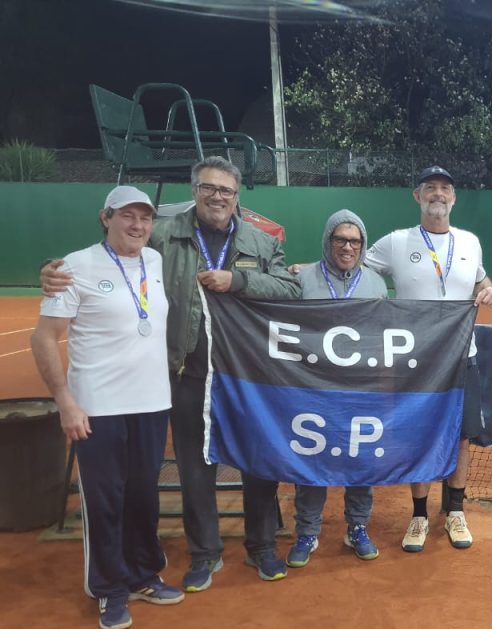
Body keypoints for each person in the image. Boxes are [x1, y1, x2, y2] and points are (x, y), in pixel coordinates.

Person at [42, 157, 301, 590]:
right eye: (208, 188)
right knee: (194, 466)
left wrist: (238, 281)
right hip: (185, 372)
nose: (217, 197)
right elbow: (111, 255)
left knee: (257, 460)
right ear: (194, 191)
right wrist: (55, 268)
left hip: (245, 375)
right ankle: (205, 553)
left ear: (236, 197)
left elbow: (290, 288)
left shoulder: (259, 242)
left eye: (225, 190)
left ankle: (261, 546)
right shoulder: (161, 233)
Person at [31, 186, 183, 629]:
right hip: (98, 406)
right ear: (106, 218)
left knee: (143, 496)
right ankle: (110, 588)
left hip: (152, 403)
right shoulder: (73, 267)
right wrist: (65, 401)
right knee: (105, 500)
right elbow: (44, 337)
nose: (137, 225)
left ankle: (143, 575)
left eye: (145, 218)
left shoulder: (154, 261)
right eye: (127, 216)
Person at [364, 166, 492, 552]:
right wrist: (308, 270)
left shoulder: (470, 242)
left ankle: (455, 511)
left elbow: (480, 279)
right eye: (430, 188)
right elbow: (354, 268)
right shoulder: (395, 242)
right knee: (418, 435)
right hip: (416, 361)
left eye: (445, 189)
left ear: (453, 198)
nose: (438, 194)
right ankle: (420, 515)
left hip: (462, 357)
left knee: (461, 438)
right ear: (417, 196)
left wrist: (489, 290)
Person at [280, 210, 389, 567]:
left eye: (355, 241)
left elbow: (383, 337)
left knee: (361, 461)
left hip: (360, 390)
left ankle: (357, 527)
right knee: (312, 460)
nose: (347, 247)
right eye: (340, 239)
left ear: (363, 245)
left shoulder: (376, 284)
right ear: (328, 241)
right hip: (312, 389)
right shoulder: (302, 278)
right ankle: (307, 532)